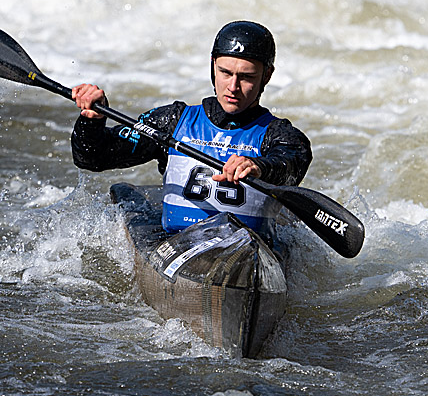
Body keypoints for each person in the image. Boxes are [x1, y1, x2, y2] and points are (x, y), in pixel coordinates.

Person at [70, 21, 312, 241]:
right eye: (225, 72)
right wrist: (92, 120)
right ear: (213, 65)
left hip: (248, 251)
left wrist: (258, 166)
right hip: (180, 244)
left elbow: (290, 165)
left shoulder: (280, 135)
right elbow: (93, 158)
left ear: (267, 76)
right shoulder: (173, 121)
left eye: (246, 77)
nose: (233, 86)